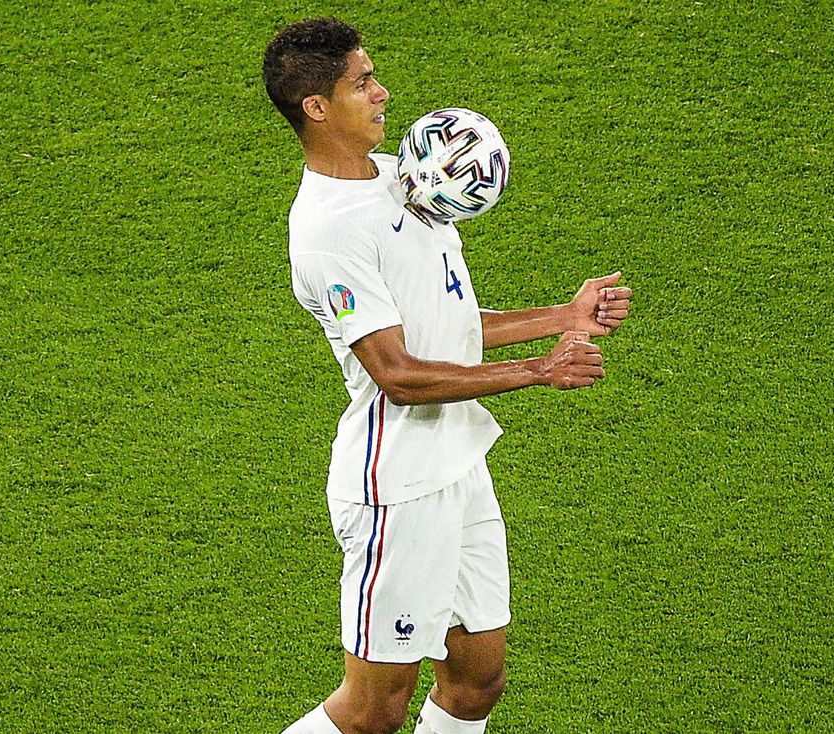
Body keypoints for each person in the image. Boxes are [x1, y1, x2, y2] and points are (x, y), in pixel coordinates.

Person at [263, 17, 632, 734]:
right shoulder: (329, 233)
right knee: (375, 709)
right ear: (316, 107)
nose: (383, 92)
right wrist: (539, 371)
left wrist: (564, 313)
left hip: (458, 464)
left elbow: (447, 320)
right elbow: (397, 373)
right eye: (362, 82)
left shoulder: (402, 177)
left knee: (476, 681)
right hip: (395, 484)